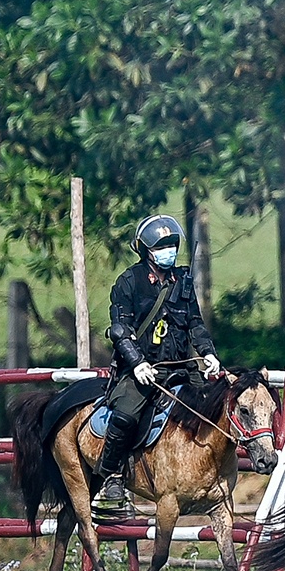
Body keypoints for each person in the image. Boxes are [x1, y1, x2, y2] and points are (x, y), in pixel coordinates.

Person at [95, 215, 223, 510]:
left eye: (172, 245)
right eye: (161, 246)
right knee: (125, 416)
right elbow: (119, 330)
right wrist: (137, 362)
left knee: (212, 408)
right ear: (145, 250)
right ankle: (112, 475)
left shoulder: (184, 281)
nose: (169, 251)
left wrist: (208, 353)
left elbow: (195, 324)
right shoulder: (128, 282)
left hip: (181, 367)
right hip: (140, 370)